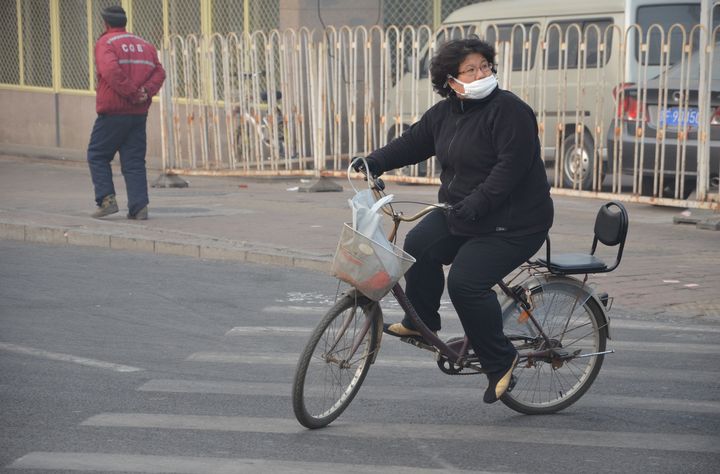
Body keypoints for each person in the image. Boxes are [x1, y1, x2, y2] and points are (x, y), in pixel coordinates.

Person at [353, 38, 553, 404]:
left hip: (515, 223)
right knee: (417, 245)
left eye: (485, 66)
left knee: (465, 282)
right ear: (450, 81)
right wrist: (373, 161)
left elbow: (508, 171)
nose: (482, 74)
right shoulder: (445, 114)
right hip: (464, 212)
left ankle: (500, 359)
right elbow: (413, 142)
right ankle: (421, 322)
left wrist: (475, 204)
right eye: (471, 69)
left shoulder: (510, 112)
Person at [87, 5, 166, 220]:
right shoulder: (144, 44)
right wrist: (145, 92)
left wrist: (132, 93)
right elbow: (160, 72)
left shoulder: (105, 43)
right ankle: (139, 208)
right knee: (133, 161)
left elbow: (111, 71)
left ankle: (106, 200)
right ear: (124, 22)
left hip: (114, 112)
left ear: (105, 24)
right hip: (138, 114)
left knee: (97, 154)